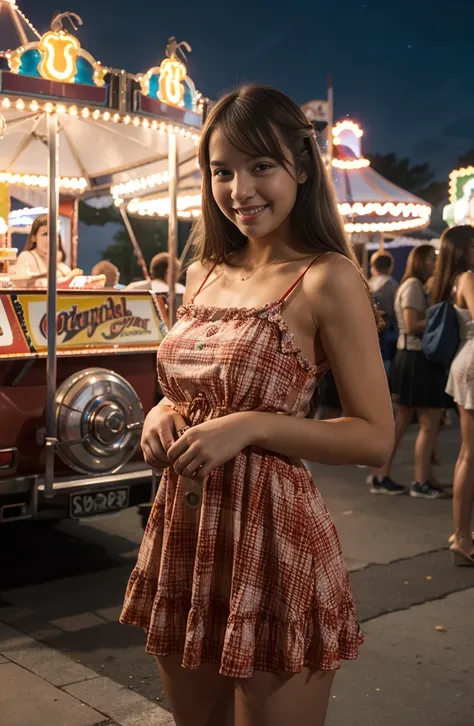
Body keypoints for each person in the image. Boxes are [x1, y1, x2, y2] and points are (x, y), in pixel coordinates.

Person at [120, 84, 393, 726]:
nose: (239, 189)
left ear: (300, 166)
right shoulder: (204, 271)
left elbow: (375, 438)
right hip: (184, 536)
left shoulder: (327, 277)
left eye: (260, 166)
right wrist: (163, 410)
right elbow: (188, 384)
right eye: (222, 171)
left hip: (272, 539)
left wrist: (248, 427)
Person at [368, 244, 446, 498]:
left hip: (409, 358)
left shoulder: (410, 285)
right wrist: (440, 321)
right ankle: (420, 481)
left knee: (403, 421)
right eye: (432, 258)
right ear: (422, 261)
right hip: (415, 358)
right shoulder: (412, 286)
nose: (436, 263)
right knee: (427, 421)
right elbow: (412, 325)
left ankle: (384, 475)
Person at [431, 225, 474, 565]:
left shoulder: (458, 278)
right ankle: (461, 536)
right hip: (472, 362)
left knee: (468, 453)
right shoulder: (468, 277)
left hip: (466, 361)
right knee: (469, 454)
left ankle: (462, 533)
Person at [15, 214, 81, 288]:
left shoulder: (59, 264)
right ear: (33, 238)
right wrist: (66, 277)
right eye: (45, 234)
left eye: (54, 234)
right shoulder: (26, 257)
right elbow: (22, 285)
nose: (50, 239)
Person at [369, 251, 398, 376]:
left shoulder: (368, 284)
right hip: (388, 331)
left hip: (371, 331)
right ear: (390, 266)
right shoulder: (392, 285)